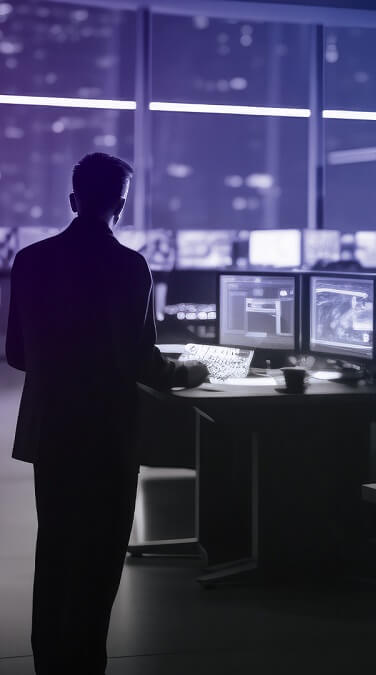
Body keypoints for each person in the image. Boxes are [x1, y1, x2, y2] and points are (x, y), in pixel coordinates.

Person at [6, 153, 207, 674]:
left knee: (55, 550)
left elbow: (17, 355)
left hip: (51, 429)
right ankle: (86, 663)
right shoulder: (130, 266)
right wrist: (190, 372)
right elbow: (144, 362)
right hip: (108, 435)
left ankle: (48, 661)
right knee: (98, 560)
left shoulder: (29, 260)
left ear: (73, 200)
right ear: (120, 205)